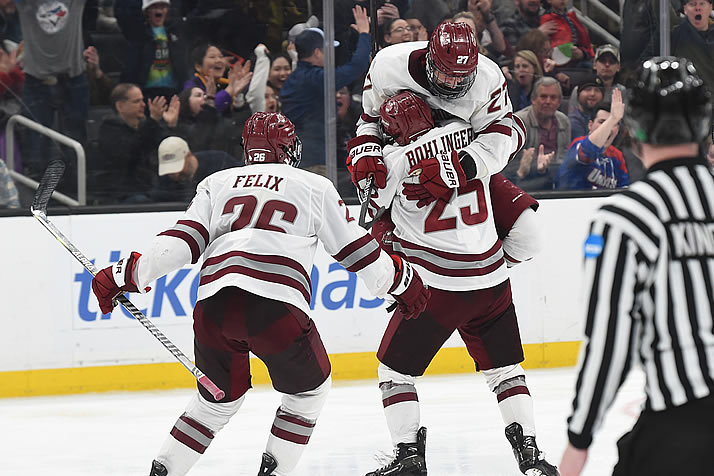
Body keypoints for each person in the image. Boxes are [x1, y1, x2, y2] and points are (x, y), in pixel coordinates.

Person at [90, 111, 430, 476]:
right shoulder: (313, 185)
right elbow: (356, 251)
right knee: (306, 395)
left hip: (214, 307)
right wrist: (400, 282)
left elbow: (178, 247)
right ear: (288, 148)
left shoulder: (216, 182)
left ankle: (163, 472)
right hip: (276, 308)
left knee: (215, 402)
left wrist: (123, 273)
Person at [362, 91, 558, 476]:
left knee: (396, 374)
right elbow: (531, 238)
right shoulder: (468, 138)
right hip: (492, 286)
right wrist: (495, 265)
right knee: (505, 372)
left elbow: (371, 215)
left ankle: (408, 456)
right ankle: (531, 458)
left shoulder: (392, 160)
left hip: (433, 289)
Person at [559, 57, 714, 476]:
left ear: (637, 127)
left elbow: (609, 340)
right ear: (703, 124)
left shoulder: (626, 217)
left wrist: (579, 440)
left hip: (683, 425)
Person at [348, 20, 514, 205]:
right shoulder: (388, 66)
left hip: (467, 168)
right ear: (430, 60)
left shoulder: (489, 77)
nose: (454, 84)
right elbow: (370, 119)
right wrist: (367, 151)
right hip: (405, 165)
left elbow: (499, 145)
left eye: (463, 76)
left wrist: (455, 168)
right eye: (447, 74)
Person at [281, 6, 371, 176]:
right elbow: (357, 66)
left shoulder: (295, 79)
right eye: (326, 50)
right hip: (313, 163)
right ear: (317, 52)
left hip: (300, 157)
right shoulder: (315, 79)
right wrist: (365, 34)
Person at [15, 0, 89, 181]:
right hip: (36, 82)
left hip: (73, 80)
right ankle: (38, 201)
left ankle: (77, 196)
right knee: (36, 149)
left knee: (75, 144)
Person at [93, 83, 178, 204]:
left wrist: (170, 125)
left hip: (149, 187)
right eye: (136, 101)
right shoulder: (109, 130)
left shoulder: (145, 126)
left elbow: (168, 147)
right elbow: (129, 155)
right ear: (120, 106)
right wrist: (153, 121)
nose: (143, 105)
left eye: (142, 100)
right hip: (123, 193)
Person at [504, 77, 571, 191]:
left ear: (559, 102)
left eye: (553, 98)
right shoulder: (519, 122)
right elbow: (508, 167)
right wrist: (535, 167)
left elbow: (564, 157)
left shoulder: (564, 121)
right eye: (543, 96)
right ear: (533, 99)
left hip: (557, 181)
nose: (548, 101)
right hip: (525, 182)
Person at [117, 0, 189, 100]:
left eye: (162, 7)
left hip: (173, 90)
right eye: (154, 7)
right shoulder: (138, 33)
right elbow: (125, 14)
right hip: (147, 91)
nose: (159, 10)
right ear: (146, 11)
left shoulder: (176, 32)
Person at [557, 90, 629, 190]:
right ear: (590, 125)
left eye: (613, 125)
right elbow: (589, 150)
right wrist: (612, 119)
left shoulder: (617, 156)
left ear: (617, 130)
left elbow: (624, 188)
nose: (607, 128)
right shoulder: (578, 144)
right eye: (601, 122)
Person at [153, 136, 239, 202]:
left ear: (188, 155)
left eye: (177, 167)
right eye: (170, 171)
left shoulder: (221, 162)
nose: (176, 174)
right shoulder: (165, 181)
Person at [184, 44, 253, 117]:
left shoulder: (226, 83)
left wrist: (240, 90)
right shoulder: (191, 86)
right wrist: (230, 90)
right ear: (198, 66)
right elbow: (204, 109)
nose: (219, 60)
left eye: (221, 57)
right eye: (212, 57)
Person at [568, 44, 626, 114]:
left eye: (612, 62)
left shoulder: (621, 91)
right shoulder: (579, 90)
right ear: (594, 64)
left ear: (618, 67)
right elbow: (572, 118)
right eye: (602, 61)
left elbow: (622, 118)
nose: (607, 64)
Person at [539, 0, 594, 68]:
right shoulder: (545, 19)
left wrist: (582, 53)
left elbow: (585, 44)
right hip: (556, 63)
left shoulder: (571, 18)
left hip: (577, 60)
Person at [567, 74, 604, 141]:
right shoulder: (573, 121)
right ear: (578, 95)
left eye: (597, 90)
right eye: (588, 90)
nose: (592, 94)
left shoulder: (607, 117)